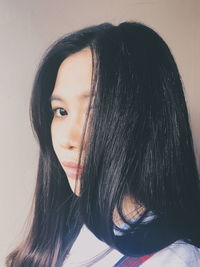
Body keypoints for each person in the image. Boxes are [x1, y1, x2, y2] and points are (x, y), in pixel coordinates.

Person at [6, 21, 200, 266]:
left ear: (148, 119)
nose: (67, 139)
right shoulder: (64, 230)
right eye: (61, 111)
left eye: (96, 112)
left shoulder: (174, 260)